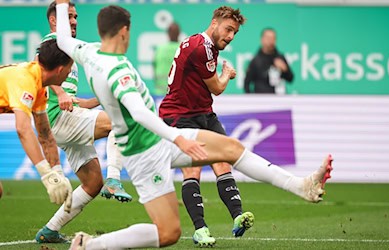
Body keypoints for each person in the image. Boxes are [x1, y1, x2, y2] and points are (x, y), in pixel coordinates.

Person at [54, 2, 333, 249]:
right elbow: (139, 113)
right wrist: (177, 139)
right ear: (125, 31)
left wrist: (61, 4)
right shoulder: (119, 70)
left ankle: (87, 245)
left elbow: (63, 39)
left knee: (226, 156)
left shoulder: (88, 53)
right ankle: (96, 245)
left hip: (145, 147)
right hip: (150, 149)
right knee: (169, 230)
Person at [35, 1, 132, 244]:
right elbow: (39, 70)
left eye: (76, 16)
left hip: (66, 118)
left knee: (91, 183)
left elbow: (74, 100)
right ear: (54, 19)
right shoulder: (53, 41)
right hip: (58, 118)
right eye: (69, 16)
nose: (74, 20)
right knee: (117, 122)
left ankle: (49, 229)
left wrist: (97, 100)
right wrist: (60, 94)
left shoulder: (68, 49)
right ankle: (114, 178)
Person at [159, 7, 252, 246]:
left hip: (203, 113)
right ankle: (200, 229)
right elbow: (217, 88)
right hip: (180, 115)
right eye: (228, 29)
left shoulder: (205, 45)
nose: (231, 36)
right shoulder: (201, 47)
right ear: (214, 23)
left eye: (235, 32)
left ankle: (238, 215)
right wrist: (226, 73)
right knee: (192, 169)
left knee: (223, 158)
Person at [0, 39, 73, 211]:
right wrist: (46, 175)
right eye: (70, 68)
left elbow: (45, 135)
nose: (70, 73)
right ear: (61, 69)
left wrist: (58, 175)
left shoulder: (39, 85)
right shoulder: (24, 80)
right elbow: (23, 129)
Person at [244, 28, 294, 94]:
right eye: (268, 38)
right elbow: (246, 83)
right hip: (261, 99)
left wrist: (285, 69)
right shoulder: (256, 60)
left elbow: (290, 78)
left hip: (279, 99)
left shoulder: (280, 58)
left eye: (273, 38)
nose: (271, 41)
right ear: (262, 39)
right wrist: (252, 100)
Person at [153, 22, 180, 96]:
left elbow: (154, 68)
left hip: (160, 93)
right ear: (179, 33)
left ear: (168, 34)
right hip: (176, 94)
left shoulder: (160, 49)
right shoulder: (183, 48)